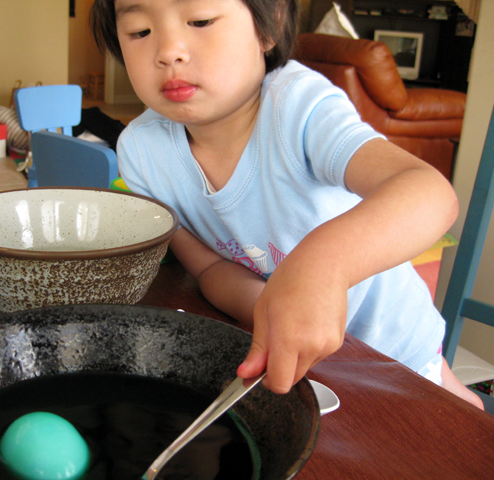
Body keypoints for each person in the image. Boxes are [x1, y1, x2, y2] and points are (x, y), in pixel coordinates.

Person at [90, 0, 483, 409]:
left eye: (201, 20)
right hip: (302, 364)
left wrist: (319, 268)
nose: (169, 51)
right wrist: (272, 310)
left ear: (269, 26)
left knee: (457, 425)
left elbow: (428, 192)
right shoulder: (140, 151)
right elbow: (208, 267)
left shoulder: (298, 108)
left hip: (393, 350)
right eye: (139, 31)